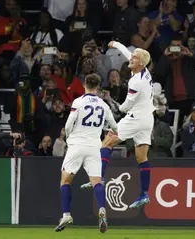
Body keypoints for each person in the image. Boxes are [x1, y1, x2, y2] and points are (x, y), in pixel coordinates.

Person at [80, 41, 155, 209]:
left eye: (134, 57)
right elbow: (129, 55)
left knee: (107, 141)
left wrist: (112, 103)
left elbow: (125, 107)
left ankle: (99, 178)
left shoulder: (136, 82)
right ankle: (144, 194)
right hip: (147, 119)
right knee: (141, 157)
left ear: (140, 63)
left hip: (135, 117)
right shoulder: (144, 70)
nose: (131, 58)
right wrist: (116, 44)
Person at [55, 74, 117, 234]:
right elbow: (114, 126)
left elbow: (69, 124)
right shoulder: (103, 105)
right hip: (94, 147)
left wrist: (69, 137)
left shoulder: (78, 102)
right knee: (97, 181)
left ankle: (66, 215)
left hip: (77, 144)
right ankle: (102, 209)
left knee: (65, 181)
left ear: (84, 84)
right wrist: (111, 132)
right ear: (98, 87)